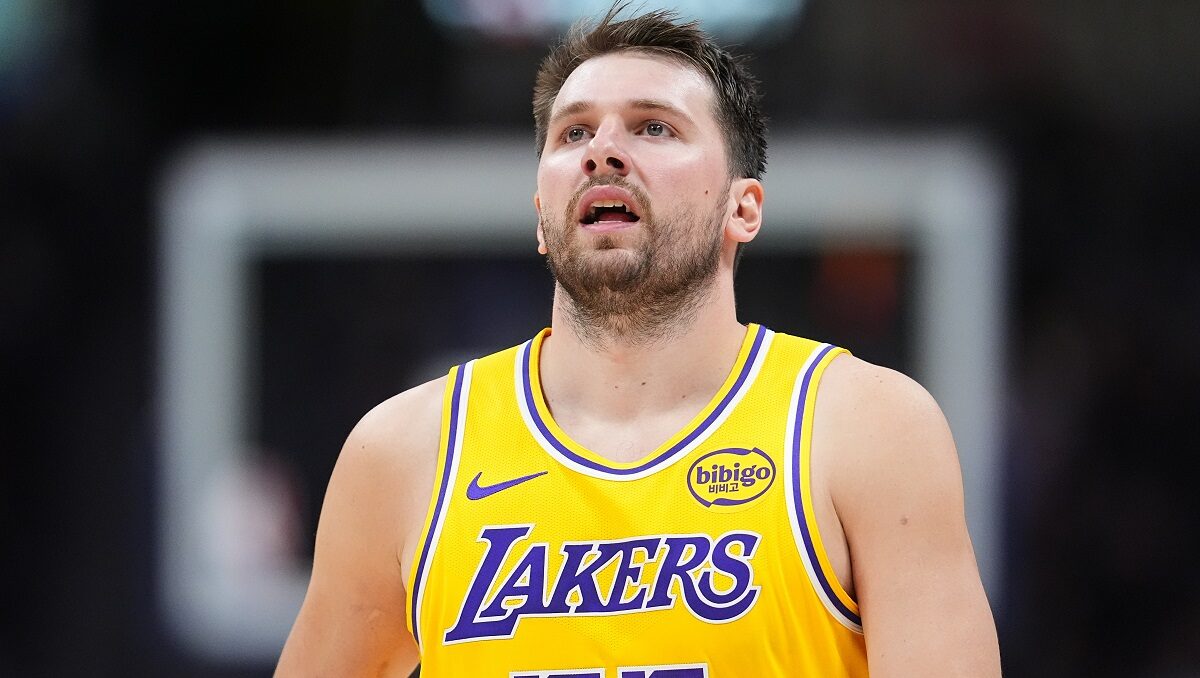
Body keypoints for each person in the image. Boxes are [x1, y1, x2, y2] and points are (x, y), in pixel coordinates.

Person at [275, 5, 1001, 677]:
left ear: (742, 208)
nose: (603, 152)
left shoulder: (865, 429)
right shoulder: (404, 453)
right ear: (540, 215)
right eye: (574, 133)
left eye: (654, 127)